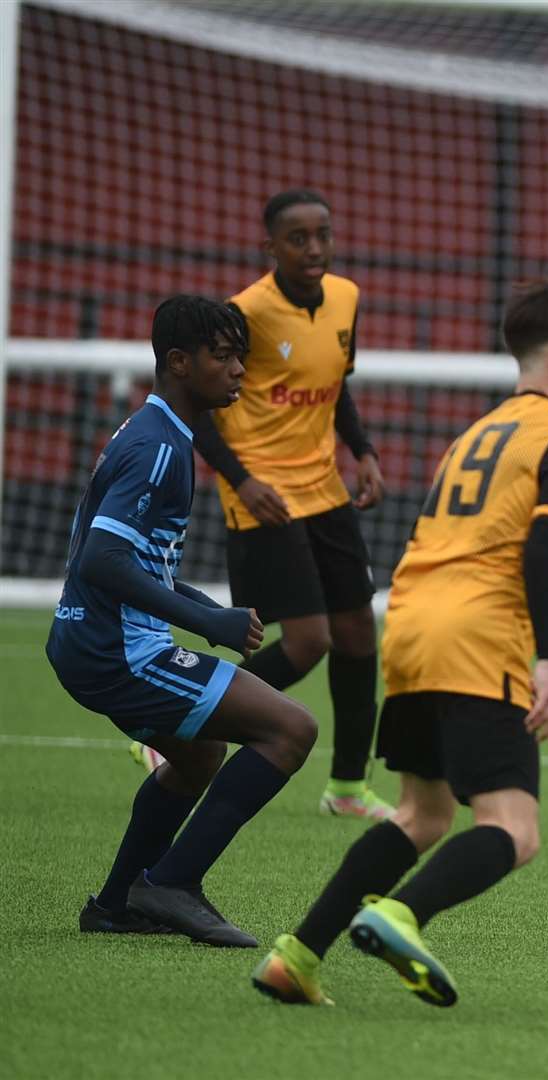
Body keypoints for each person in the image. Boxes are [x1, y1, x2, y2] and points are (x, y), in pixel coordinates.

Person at [252, 270, 548, 1007]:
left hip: (413, 624)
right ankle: (400, 915)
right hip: (480, 634)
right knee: (514, 829)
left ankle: (295, 957)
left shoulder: (477, 433)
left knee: (422, 814)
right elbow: (543, 551)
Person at [52, 295, 316, 947]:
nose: (238, 372)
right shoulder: (160, 447)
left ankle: (115, 904)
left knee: (198, 755)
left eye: (241, 358)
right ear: (178, 362)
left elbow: (132, 559)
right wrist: (209, 623)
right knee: (291, 729)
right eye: (223, 357)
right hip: (118, 652)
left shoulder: (161, 433)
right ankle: (171, 883)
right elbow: (102, 559)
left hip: (93, 641)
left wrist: (202, 611)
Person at [182, 188, 392, 820]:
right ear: (269, 247)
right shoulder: (243, 313)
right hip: (265, 494)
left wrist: (364, 452)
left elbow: (334, 388)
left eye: (323, 234)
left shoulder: (346, 298)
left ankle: (348, 789)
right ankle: (176, 729)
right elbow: (198, 404)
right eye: (298, 238)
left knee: (357, 633)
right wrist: (242, 480)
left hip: (324, 488)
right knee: (307, 642)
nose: (315, 248)